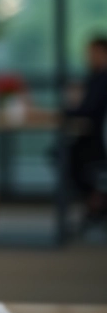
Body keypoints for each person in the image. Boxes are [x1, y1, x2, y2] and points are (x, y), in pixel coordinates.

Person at [66, 36, 107, 223]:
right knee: (64, 153)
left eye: (92, 52)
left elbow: (86, 110)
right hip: (92, 139)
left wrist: (68, 108)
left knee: (67, 156)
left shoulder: (102, 79)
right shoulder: (94, 77)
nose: (88, 57)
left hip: (97, 144)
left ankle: (96, 201)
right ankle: (95, 200)